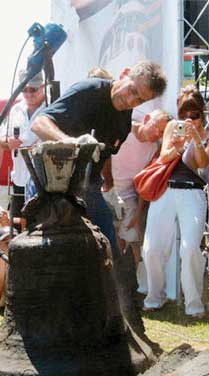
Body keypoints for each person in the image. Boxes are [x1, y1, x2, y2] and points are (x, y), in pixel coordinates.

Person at [31, 60, 167, 251]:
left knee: (109, 248)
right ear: (125, 73)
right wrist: (70, 143)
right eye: (133, 90)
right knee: (48, 251)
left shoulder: (124, 122)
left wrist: (110, 186)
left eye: (140, 100)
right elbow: (38, 123)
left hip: (88, 187)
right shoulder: (89, 91)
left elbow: (106, 154)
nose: (131, 101)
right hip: (50, 182)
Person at [143, 87, 209, 316]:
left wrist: (196, 139)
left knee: (189, 249)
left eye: (195, 115)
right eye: (184, 115)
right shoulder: (171, 128)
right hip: (165, 190)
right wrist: (177, 144)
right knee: (152, 247)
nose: (190, 120)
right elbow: (163, 157)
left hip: (193, 192)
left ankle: (194, 304)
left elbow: (202, 162)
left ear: (202, 113)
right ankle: (155, 296)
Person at [110, 108, 171, 282]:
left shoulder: (155, 149)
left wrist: (138, 214)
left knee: (132, 241)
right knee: (110, 239)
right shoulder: (122, 130)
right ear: (146, 118)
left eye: (162, 133)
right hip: (107, 191)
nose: (157, 134)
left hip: (129, 198)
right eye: (156, 128)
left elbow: (145, 184)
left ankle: (137, 283)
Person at [0, 70, 47, 220]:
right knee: (18, 228)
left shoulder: (52, 106)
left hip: (43, 181)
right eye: (24, 90)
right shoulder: (15, 109)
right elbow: (1, 138)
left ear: (43, 86)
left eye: (33, 89)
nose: (28, 94)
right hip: (19, 180)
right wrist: (8, 142)